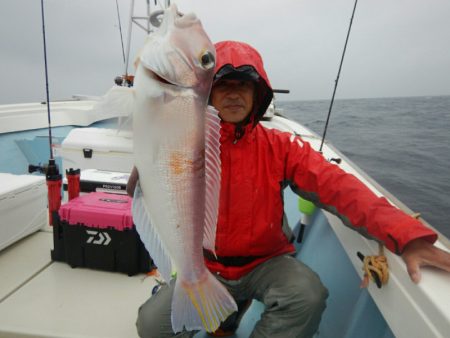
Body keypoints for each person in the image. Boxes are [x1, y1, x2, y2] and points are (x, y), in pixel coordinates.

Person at [129, 40, 450, 338]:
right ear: (207, 93)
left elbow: (340, 188)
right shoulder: (183, 146)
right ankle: (222, 322)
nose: (234, 94)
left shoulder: (281, 148)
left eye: (244, 85)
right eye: (223, 84)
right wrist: (149, 163)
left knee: (307, 295)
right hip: (205, 265)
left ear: (259, 95)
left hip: (265, 262)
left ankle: (229, 320)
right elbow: (143, 190)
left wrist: (407, 237)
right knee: (152, 325)